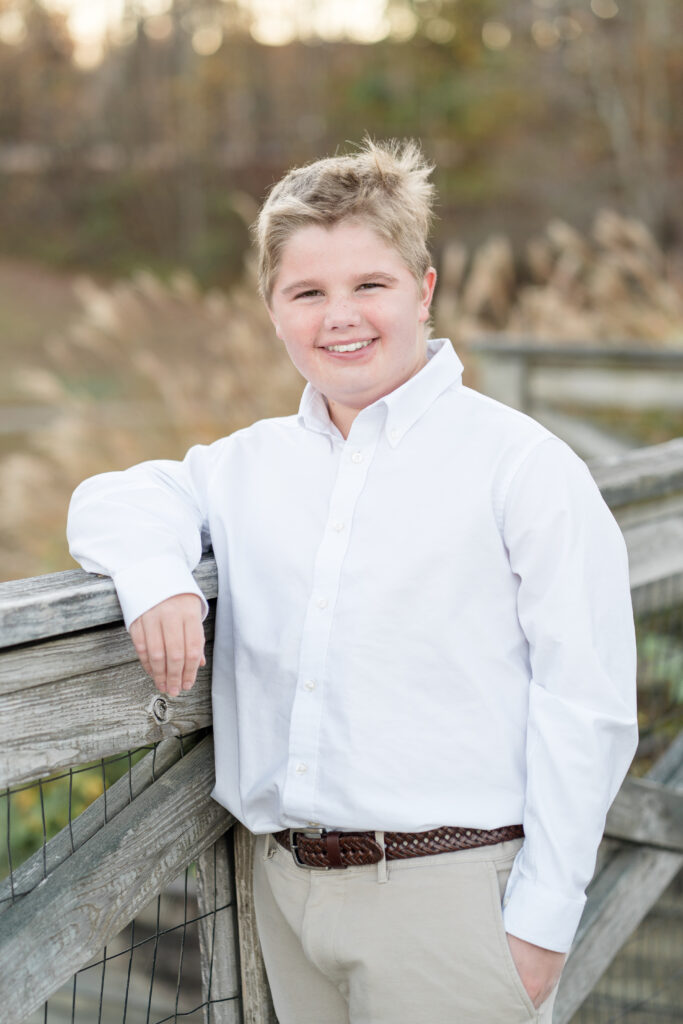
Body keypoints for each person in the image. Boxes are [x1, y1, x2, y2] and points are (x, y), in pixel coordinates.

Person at [67, 138, 638, 1023]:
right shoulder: (247, 466)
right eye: (307, 293)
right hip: (284, 891)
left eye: (370, 284)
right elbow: (109, 500)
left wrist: (543, 918)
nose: (341, 317)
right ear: (272, 309)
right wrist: (156, 576)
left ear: (423, 289)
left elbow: (585, 702)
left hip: (452, 901)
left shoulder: (520, 466)